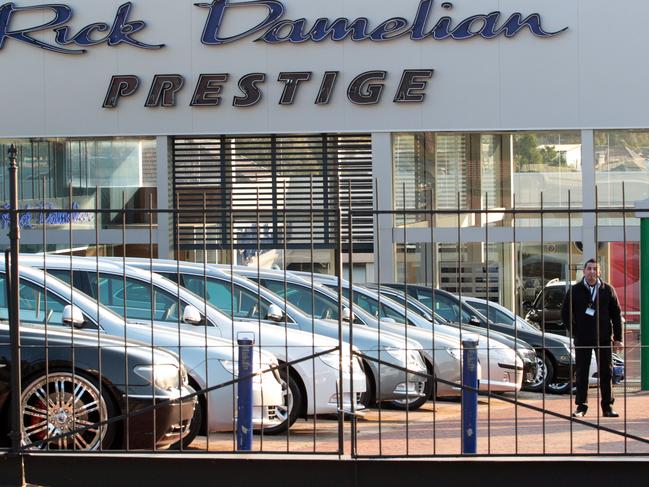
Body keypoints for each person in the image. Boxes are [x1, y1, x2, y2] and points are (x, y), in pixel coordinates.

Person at [561, 259, 623, 418]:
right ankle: (581, 407)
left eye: (595, 269)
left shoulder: (607, 290)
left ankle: (607, 407)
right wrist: (576, 331)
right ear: (584, 271)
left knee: (606, 373)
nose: (592, 272)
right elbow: (565, 314)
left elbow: (616, 315)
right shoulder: (575, 290)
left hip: (603, 339)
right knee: (582, 372)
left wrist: (618, 338)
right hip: (582, 339)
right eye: (589, 269)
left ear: (599, 272)